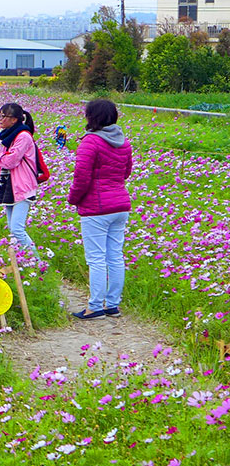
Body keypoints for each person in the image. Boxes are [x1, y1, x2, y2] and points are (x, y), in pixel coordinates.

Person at [67, 99, 133, 320]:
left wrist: (74, 199)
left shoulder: (90, 142)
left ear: (91, 117)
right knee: (115, 256)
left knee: (96, 258)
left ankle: (95, 306)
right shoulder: (123, 142)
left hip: (97, 207)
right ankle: (112, 305)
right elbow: (125, 173)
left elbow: (81, 177)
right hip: (120, 204)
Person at [0, 102, 41, 261]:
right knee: (12, 228)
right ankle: (23, 260)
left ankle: (38, 263)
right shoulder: (8, 136)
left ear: (14, 120)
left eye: (4, 116)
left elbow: (10, 162)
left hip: (22, 187)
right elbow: (1, 161)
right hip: (9, 185)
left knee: (17, 229)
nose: (0, 120)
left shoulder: (23, 136)